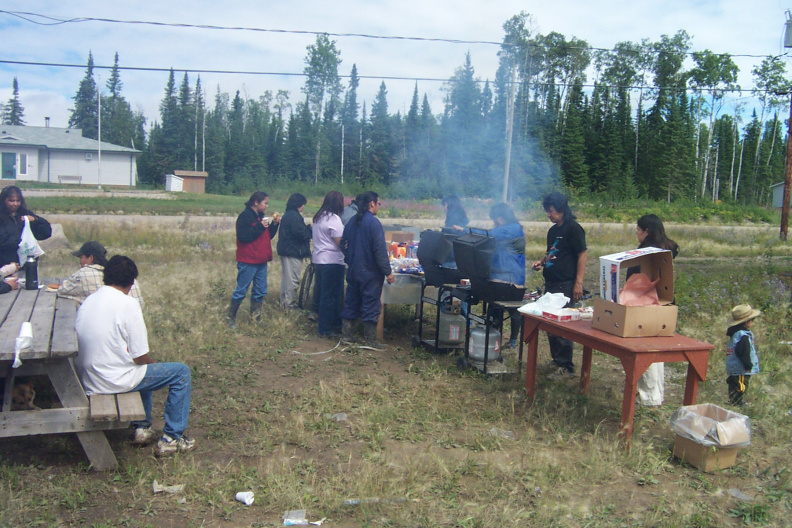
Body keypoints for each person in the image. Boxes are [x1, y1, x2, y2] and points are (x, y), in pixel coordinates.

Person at [74, 255, 195, 456]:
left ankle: (142, 428)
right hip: (110, 380)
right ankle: (172, 438)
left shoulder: (90, 300)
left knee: (141, 370)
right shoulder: (128, 304)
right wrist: (153, 365)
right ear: (132, 282)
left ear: (105, 276)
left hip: (89, 378)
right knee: (180, 372)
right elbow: (140, 356)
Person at [532, 192, 587, 377]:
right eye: (547, 211)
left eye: (552, 211)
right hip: (551, 284)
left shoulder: (573, 229)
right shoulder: (553, 231)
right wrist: (541, 261)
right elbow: (552, 252)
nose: (549, 214)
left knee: (561, 326)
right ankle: (557, 360)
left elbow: (582, 255)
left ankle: (567, 367)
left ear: (562, 209)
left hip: (566, 284)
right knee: (549, 323)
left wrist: (578, 283)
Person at [626, 214, 679, 406]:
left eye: (638, 230)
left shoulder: (646, 253)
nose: (637, 234)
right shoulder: (666, 250)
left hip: (646, 305)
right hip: (664, 305)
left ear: (646, 231)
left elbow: (635, 280)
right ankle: (656, 394)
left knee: (645, 351)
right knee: (657, 351)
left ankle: (647, 397)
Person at [341, 191, 394, 349]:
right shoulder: (373, 223)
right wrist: (388, 272)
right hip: (370, 272)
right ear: (372, 203)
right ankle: (370, 340)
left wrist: (349, 259)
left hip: (354, 269)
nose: (379, 206)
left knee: (351, 301)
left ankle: (346, 336)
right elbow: (380, 252)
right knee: (371, 303)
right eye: (379, 203)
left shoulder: (352, 221)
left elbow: (343, 243)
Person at [227, 192, 280, 328]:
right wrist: (260, 226)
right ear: (256, 202)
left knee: (260, 291)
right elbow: (244, 237)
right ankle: (230, 318)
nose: (267, 206)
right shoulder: (245, 217)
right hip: (248, 260)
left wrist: (274, 225)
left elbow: (267, 237)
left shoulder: (260, 217)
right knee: (241, 290)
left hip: (261, 260)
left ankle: (256, 319)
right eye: (265, 203)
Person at [53, 241, 144, 307]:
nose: (80, 261)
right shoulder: (128, 276)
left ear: (91, 258)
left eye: (82, 257)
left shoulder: (83, 274)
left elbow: (62, 290)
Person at [489, 202, 526, 349]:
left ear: (502, 217)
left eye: (495, 218)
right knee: (495, 307)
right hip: (500, 276)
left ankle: (512, 342)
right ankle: (494, 335)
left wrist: (464, 230)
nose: (494, 222)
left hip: (513, 279)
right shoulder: (506, 229)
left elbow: (489, 234)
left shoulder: (514, 228)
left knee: (514, 311)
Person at [311, 191, 346, 338]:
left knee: (326, 294)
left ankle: (333, 324)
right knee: (330, 296)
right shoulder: (334, 219)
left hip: (319, 260)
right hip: (332, 261)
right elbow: (340, 242)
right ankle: (326, 329)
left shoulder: (318, 217)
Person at [0, 186, 51, 268]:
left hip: (27, 265)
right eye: (11, 201)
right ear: (3, 201)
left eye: (18, 201)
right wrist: (21, 242)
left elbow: (46, 233)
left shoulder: (25, 214)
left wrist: (35, 220)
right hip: (5, 266)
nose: (15, 204)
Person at [276, 193, 312, 310]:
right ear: (299, 205)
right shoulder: (294, 217)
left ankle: (284, 303)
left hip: (286, 250)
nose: (303, 207)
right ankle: (290, 305)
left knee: (286, 279)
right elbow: (300, 233)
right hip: (293, 252)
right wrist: (309, 230)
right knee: (292, 280)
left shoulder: (288, 215)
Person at [725, 304, 761, 406]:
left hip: (734, 366)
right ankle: (737, 402)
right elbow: (743, 352)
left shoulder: (735, 333)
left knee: (735, 383)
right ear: (746, 322)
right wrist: (748, 364)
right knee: (741, 385)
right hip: (741, 367)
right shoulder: (743, 336)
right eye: (751, 320)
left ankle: (734, 401)